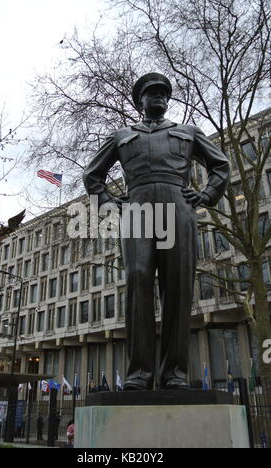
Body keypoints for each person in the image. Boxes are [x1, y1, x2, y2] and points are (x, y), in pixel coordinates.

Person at [83, 72, 230, 391]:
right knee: (138, 280)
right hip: (137, 209)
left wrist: (206, 195)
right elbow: (92, 175)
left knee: (177, 286)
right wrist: (110, 202)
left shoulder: (188, 132)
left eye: (164, 93)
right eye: (152, 93)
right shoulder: (121, 135)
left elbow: (220, 165)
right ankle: (140, 373)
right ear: (141, 101)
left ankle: (174, 372)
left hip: (178, 206)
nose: (160, 98)